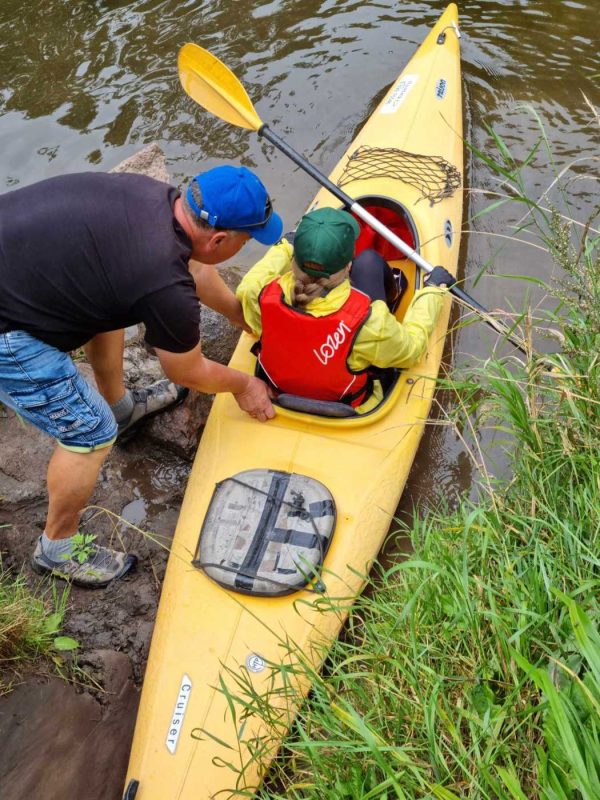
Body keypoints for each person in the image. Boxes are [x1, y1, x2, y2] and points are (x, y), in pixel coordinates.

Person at [0, 165, 283, 587]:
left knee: (111, 298)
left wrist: (241, 316)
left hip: (16, 258)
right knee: (89, 431)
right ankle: (57, 548)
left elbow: (197, 269)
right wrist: (245, 385)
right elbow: (185, 369)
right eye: (247, 241)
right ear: (220, 239)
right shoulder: (161, 280)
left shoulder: (156, 198)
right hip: (8, 330)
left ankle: (122, 410)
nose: (245, 248)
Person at [236, 206, 455, 412]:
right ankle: (395, 291)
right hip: (347, 407)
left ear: (295, 260)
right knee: (369, 261)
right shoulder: (370, 321)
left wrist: (286, 246)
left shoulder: (257, 293)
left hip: (280, 393)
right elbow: (411, 351)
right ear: (349, 264)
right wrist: (432, 291)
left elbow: (252, 282)